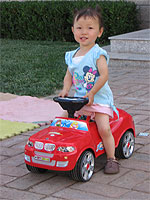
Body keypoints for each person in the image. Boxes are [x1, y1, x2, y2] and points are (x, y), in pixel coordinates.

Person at [59, 6, 119, 174]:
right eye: (79, 28)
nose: (83, 32)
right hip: (80, 101)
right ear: (73, 30)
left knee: (104, 128)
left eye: (90, 28)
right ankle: (64, 150)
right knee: (60, 121)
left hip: (98, 100)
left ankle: (111, 158)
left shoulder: (97, 54)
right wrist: (65, 89)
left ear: (99, 32)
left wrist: (92, 93)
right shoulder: (72, 55)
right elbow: (69, 76)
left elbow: (103, 75)